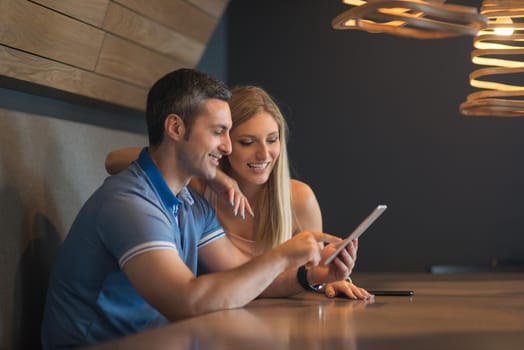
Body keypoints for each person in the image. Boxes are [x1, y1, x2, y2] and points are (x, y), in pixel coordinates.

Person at [41, 68, 355, 349]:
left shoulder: (191, 204)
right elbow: (186, 301)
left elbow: (243, 278)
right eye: (219, 132)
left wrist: (313, 275)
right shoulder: (130, 203)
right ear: (176, 128)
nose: (228, 147)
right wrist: (283, 254)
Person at [105, 85, 371, 299]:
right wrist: (215, 175)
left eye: (272, 139)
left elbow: (311, 274)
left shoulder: (299, 198)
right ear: (224, 141)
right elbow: (114, 160)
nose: (264, 154)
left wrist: (330, 281)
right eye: (247, 142)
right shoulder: (198, 190)